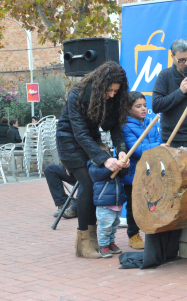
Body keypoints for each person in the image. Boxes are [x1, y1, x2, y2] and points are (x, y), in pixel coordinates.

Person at [56, 61, 130, 259]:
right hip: (69, 142)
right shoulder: (77, 94)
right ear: (99, 85)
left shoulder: (113, 97)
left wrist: (121, 151)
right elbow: (79, 133)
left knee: (94, 185)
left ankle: (94, 240)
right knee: (88, 185)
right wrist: (104, 159)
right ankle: (84, 243)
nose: (112, 95)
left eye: (116, 91)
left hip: (91, 142)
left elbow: (115, 128)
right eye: (110, 90)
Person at [122, 91, 165, 249]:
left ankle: (152, 232)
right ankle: (133, 235)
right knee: (134, 205)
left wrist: (161, 147)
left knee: (153, 202)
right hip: (133, 173)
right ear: (128, 108)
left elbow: (159, 140)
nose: (143, 109)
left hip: (151, 172)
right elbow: (136, 149)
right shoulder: (125, 127)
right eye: (138, 106)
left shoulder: (150, 123)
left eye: (145, 106)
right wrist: (158, 147)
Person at [89, 143, 127, 258]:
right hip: (105, 203)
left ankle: (111, 242)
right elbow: (99, 174)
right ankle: (103, 245)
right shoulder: (93, 167)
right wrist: (113, 167)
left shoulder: (113, 164)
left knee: (114, 225)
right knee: (105, 226)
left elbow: (122, 175)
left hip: (116, 202)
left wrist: (123, 167)